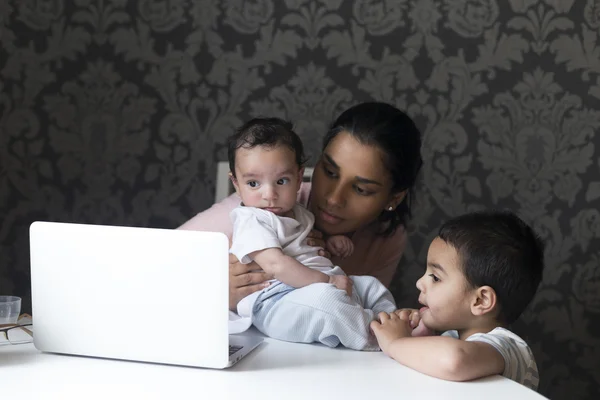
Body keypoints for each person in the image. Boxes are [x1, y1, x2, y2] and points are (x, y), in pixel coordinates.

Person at [178, 102, 424, 316]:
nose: (334, 198)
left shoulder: (387, 236)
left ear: (394, 197)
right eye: (329, 172)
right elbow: (152, 265)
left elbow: (361, 312)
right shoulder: (262, 210)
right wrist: (213, 293)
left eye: (361, 189)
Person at [226, 117, 400, 350]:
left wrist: (331, 242)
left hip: (311, 288)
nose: (269, 194)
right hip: (275, 301)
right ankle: (379, 339)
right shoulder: (252, 220)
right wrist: (326, 280)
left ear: (299, 178)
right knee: (326, 303)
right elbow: (277, 265)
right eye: (253, 184)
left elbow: (301, 243)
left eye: (281, 181)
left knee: (369, 286)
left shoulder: (297, 212)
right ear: (236, 184)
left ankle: (396, 324)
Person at [370, 211, 544, 390]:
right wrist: (416, 335)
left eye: (435, 277)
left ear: (480, 300)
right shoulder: (453, 338)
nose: (419, 283)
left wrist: (396, 343)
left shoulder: (508, 347)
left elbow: (454, 360)